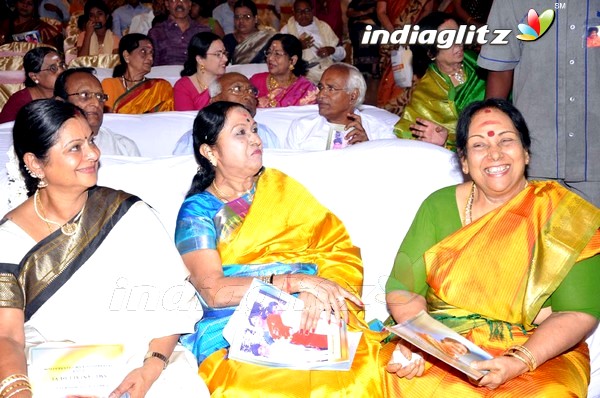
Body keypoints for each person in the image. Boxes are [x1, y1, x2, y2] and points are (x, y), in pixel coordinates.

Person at [384, 98, 599, 396]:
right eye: (479, 145)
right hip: (444, 339)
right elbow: (403, 288)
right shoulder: (438, 205)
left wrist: (518, 361)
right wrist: (423, 342)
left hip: (536, 349)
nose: (494, 153)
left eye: (506, 140)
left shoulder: (565, 216)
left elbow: (577, 312)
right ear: (463, 161)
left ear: (525, 153)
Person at [173, 100, 389, 396]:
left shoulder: (280, 187)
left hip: (314, 311)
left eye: (254, 129)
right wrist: (294, 285)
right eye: (240, 133)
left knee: (366, 374)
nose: (255, 139)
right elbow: (214, 291)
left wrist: (320, 290)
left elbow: (336, 247)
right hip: (237, 324)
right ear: (210, 152)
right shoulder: (198, 212)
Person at [0, 99, 209, 398]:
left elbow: (172, 305)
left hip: (139, 362)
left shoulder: (128, 214)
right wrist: (20, 392)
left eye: (91, 141)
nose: (93, 154)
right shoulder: (8, 240)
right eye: (75, 147)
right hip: (49, 371)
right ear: (35, 163)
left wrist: (150, 369)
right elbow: (7, 336)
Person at [478, 1, 600, 208]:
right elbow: (499, 72)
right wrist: (489, 141)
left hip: (594, 159)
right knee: (528, 239)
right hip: (534, 156)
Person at [393, 12, 486, 152]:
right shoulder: (426, 93)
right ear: (431, 52)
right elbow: (407, 135)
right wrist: (446, 141)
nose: (458, 43)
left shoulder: (477, 62)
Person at [285, 63, 395, 150]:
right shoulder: (301, 128)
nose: (321, 95)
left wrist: (368, 148)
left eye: (331, 88)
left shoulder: (379, 132)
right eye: (321, 87)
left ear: (353, 95)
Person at [172, 72, 280, 154]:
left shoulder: (266, 134)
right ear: (215, 100)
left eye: (252, 91)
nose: (248, 95)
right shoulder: (192, 140)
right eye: (237, 89)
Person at [54, 67, 141, 156]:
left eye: (99, 96)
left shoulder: (125, 147)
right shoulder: (47, 148)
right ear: (61, 102)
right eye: (85, 95)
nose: (96, 103)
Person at [376, 0, 434, 114]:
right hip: (390, 36)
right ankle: (389, 108)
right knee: (391, 72)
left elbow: (428, 10)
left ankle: (407, 108)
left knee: (412, 70)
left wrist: (413, 30)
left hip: (413, 36)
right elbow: (381, 12)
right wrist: (394, 32)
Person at [102, 33, 174, 113]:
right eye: (143, 51)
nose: (150, 58)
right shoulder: (110, 84)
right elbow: (109, 120)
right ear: (126, 55)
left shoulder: (161, 87)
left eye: (151, 53)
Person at [281, 0, 345, 84]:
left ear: (312, 11)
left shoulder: (323, 27)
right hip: (300, 73)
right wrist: (298, 47)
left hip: (324, 69)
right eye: (299, 11)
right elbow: (280, 56)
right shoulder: (286, 30)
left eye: (307, 10)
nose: (303, 14)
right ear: (294, 12)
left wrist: (331, 50)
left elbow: (342, 53)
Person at [249, 33, 317, 107]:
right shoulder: (256, 81)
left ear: (292, 60)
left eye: (277, 54)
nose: (270, 58)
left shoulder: (306, 89)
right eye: (269, 52)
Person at [0, 46, 65, 123]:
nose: (62, 71)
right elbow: (3, 131)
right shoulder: (20, 101)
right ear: (34, 76)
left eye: (61, 65)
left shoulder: (69, 90)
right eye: (53, 68)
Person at [174, 32, 228, 111]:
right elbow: (185, 120)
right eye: (218, 54)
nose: (225, 59)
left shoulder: (228, 81)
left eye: (224, 53)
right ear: (200, 60)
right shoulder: (183, 86)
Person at [147, 0, 210, 66]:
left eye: (184, 0)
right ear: (167, 4)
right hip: (165, 75)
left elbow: (209, 63)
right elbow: (151, 67)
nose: (179, 3)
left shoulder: (203, 31)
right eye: (174, 0)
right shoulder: (156, 33)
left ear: (190, 4)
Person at [222, 0, 275, 64]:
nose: (241, 21)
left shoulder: (266, 39)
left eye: (247, 17)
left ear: (255, 19)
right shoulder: (228, 40)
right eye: (237, 17)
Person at [346, 0, 380, 77]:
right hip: (357, 26)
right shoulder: (355, 2)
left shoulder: (377, 2)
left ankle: (373, 68)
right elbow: (349, 13)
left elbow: (381, 15)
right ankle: (361, 69)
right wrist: (365, 12)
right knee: (360, 31)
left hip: (374, 25)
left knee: (373, 32)